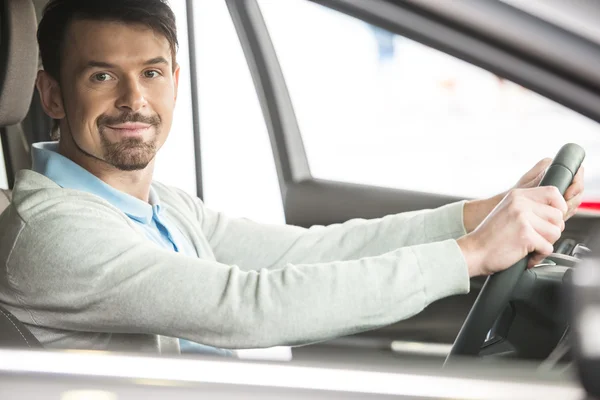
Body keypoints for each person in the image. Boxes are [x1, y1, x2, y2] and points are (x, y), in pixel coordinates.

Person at [0, 0, 584, 354]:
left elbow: (306, 251)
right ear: (51, 92)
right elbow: (249, 306)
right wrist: (471, 255)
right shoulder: (52, 234)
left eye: (151, 72)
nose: (135, 99)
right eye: (102, 76)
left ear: (175, 79)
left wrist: (483, 213)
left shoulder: (159, 206)